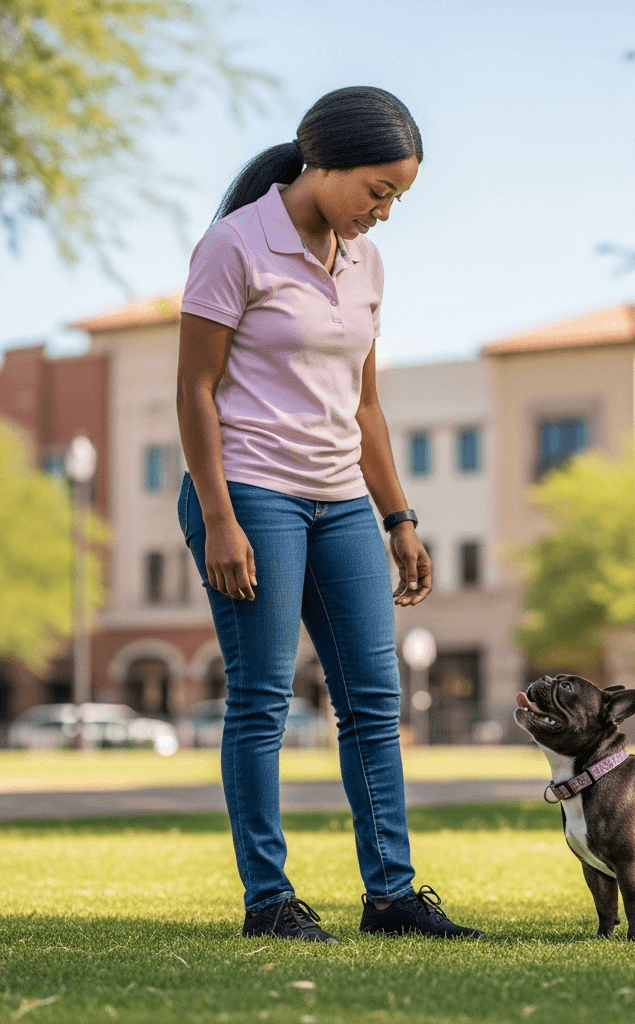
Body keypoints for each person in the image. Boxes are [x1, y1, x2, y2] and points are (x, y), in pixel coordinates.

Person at [176, 86, 481, 942]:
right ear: (326, 163)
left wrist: (400, 517)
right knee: (263, 701)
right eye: (378, 191)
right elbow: (194, 390)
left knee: (374, 702)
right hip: (251, 493)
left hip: (342, 498)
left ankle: (392, 896)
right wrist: (220, 518)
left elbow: (366, 405)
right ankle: (268, 901)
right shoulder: (235, 244)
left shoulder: (366, 264)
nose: (384, 212)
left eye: (397, 198)